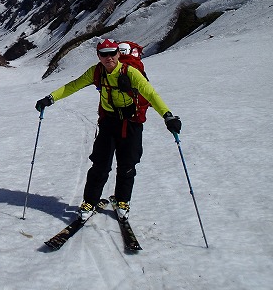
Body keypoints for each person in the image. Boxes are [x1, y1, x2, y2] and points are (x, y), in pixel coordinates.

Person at [35, 38, 182, 221]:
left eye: (112, 53)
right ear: (98, 56)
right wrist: (50, 98)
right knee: (100, 164)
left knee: (127, 165)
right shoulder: (96, 71)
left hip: (131, 122)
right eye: (104, 54)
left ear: (118, 54)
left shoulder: (130, 72)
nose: (108, 58)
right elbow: (73, 85)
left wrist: (167, 115)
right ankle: (89, 202)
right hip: (109, 122)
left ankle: (123, 201)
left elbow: (150, 93)